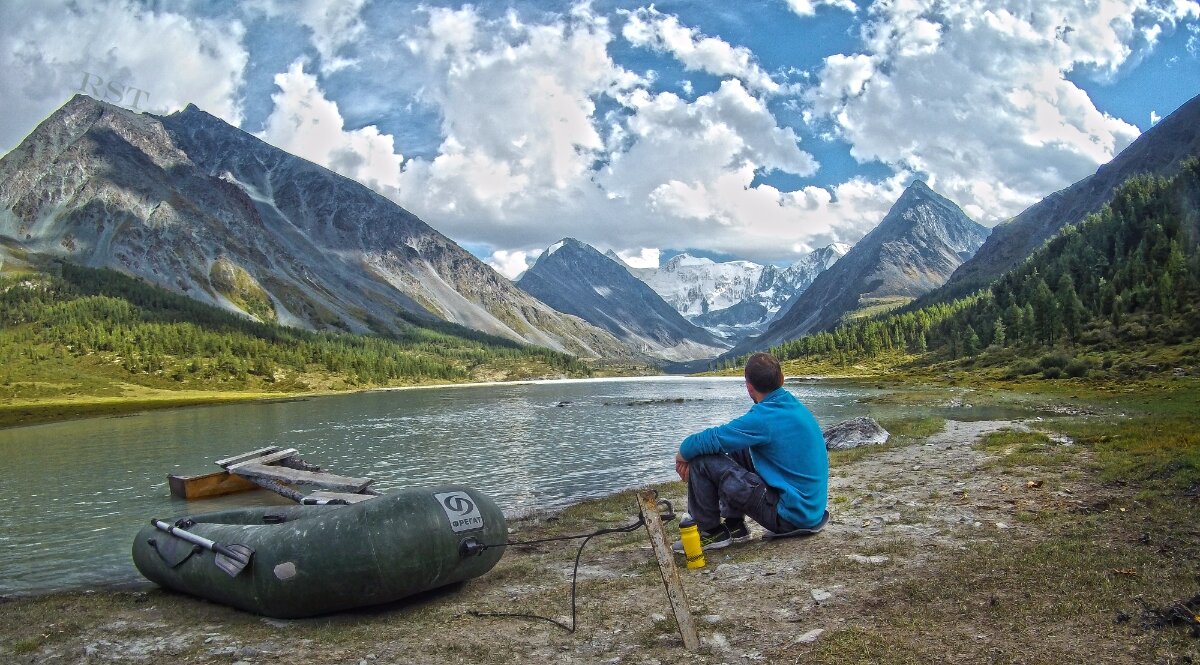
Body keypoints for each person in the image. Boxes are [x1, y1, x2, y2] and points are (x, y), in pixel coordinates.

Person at [674, 352, 828, 551]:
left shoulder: (764, 417)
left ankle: (710, 532)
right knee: (740, 447)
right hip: (808, 511)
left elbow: (712, 438)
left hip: (790, 517)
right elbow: (730, 438)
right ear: (781, 379)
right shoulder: (790, 405)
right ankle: (735, 525)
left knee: (702, 460)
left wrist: (682, 455)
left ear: (749, 386)